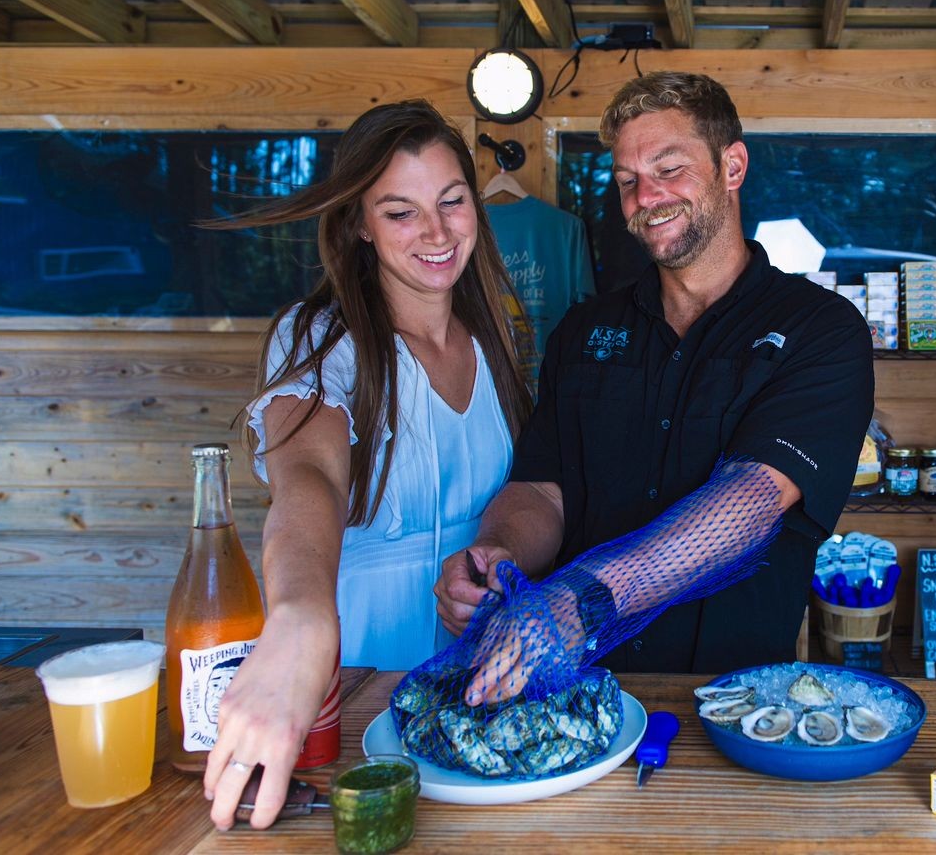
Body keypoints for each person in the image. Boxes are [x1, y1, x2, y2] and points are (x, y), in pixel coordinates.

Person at [435, 71, 874, 702]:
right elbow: (543, 488)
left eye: (670, 169)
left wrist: (577, 602)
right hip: (575, 691)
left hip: (733, 701)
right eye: (627, 182)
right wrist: (497, 554)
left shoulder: (820, 330)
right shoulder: (584, 332)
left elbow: (751, 501)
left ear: (732, 165)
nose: (647, 197)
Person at [202, 100, 532, 829]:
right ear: (357, 224)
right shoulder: (321, 337)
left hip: (478, 674)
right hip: (355, 678)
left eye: (451, 201)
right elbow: (307, 476)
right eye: (400, 212)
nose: (438, 232)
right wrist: (298, 623)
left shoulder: (496, 341)